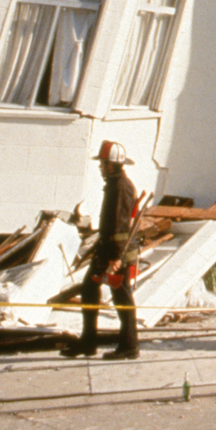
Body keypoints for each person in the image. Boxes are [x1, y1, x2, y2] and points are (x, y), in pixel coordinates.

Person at [62, 140, 141, 360]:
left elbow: (120, 226)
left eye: (103, 163)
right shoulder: (114, 184)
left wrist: (116, 258)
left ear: (111, 165)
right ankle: (88, 343)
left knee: (122, 298)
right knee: (89, 289)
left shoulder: (121, 187)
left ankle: (129, 346)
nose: (100, 166)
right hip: (107, 251)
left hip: (117, 254)